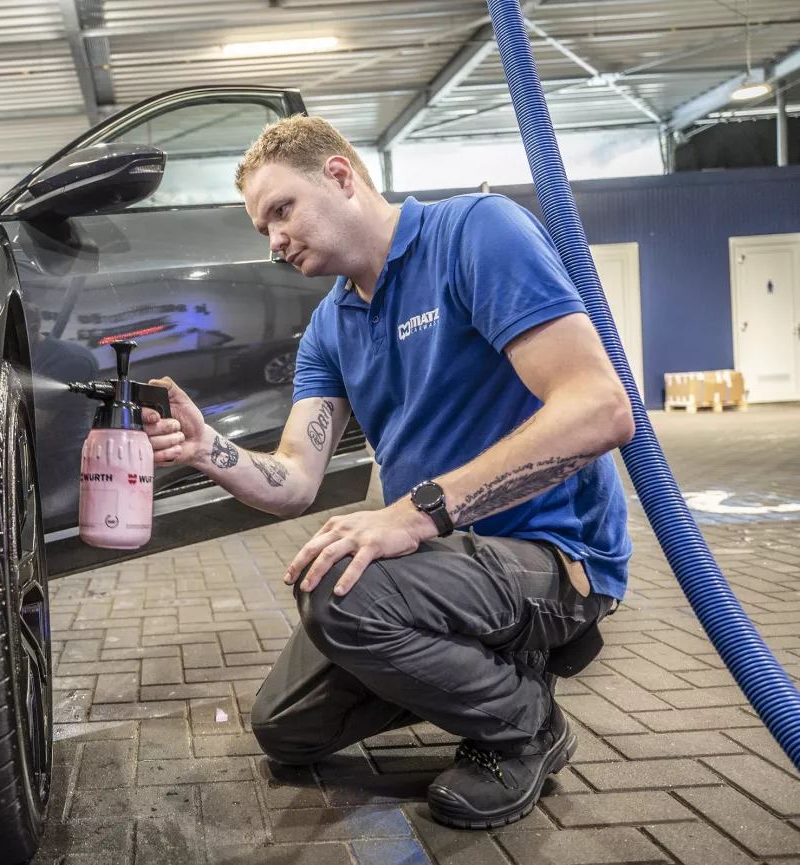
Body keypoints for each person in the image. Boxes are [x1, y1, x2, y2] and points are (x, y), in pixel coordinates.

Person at [142, 116, 634, 829]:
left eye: (282, 210)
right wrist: (205, 448)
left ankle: (525, 723)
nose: (275, 239)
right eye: (262, 228)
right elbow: (294, 478)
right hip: (449, 563)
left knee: (347, 596)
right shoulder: (331, 328)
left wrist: (415, 513)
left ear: (341, 176)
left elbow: (601, 410)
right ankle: (484, 660)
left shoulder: (475, 234)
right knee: (284, 727)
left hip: (556, 555)